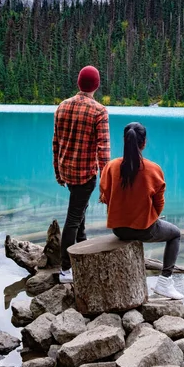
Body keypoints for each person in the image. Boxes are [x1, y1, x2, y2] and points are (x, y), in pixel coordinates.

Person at [100, 121, 183, 300]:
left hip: (119, 230)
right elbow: (159, 204)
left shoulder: (111, 166)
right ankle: (165, 282)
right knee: (175, 234)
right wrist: (149, 216)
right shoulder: (153, 169)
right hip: (144, 230)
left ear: (124, 140)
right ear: (144, 143)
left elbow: (104, 197)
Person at [53, 65, 110, 283]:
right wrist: (106, 181)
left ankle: (81, 250)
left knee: (79, 212)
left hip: (67, 171)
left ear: (79, 83)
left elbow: (55, 143)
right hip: (85, 175)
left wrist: (58, 172)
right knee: (74, 219)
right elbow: (103, 150)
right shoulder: (99, 111)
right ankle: (66, 269)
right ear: (96, 85)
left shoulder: (62, 106)